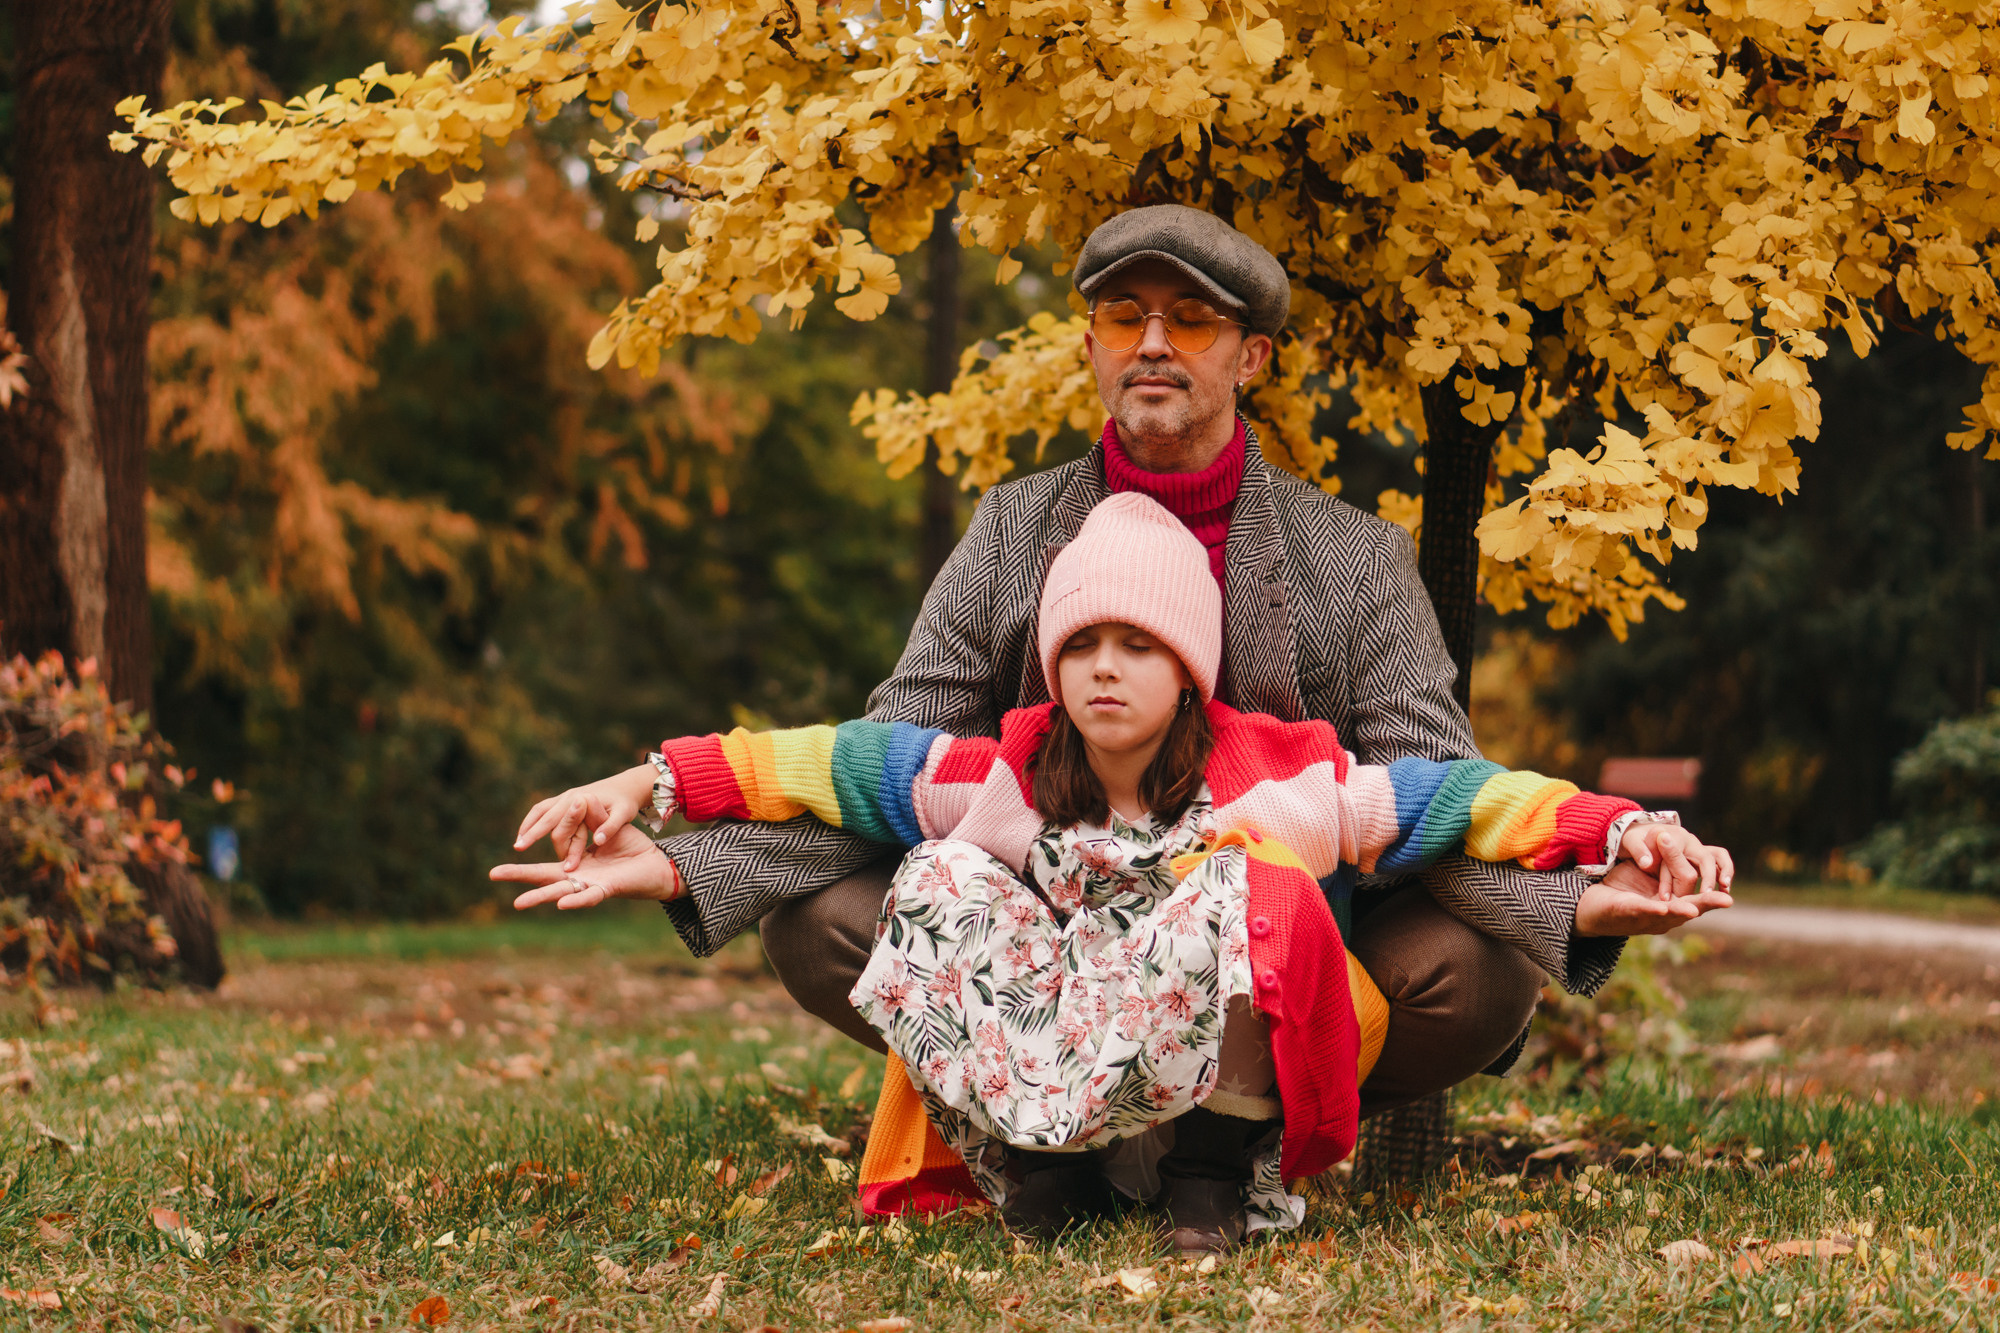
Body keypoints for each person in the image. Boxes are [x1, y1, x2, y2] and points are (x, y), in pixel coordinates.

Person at [493, 202, 1735, 1133]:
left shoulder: (1349, 556)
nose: (1151, 343)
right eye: (1120, 316)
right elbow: (889, 764)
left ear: (1249, 356)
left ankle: (1221, 1127)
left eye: (1189, 319)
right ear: (1088, 345)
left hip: (1268, 945)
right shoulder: (1011, 529)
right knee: (821, 925)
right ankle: (1053, 1135)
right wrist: (684, 843)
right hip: (1041, 935)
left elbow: (1427, 790)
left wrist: (1572, 892)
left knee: (1476, 979)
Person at [495, 494, 1732, 1252]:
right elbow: (819, 764)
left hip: (1211, 1072)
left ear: (1187, 666)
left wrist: (1612, 834)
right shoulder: (1009, 767)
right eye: (1079, 641)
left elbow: (1460, 797)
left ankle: (1205, 1184)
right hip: (1058, 1051)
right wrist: (652, 807)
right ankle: (1043, 1171)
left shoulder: (1277, 777)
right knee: (941, 880)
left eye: (1135, 642)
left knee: (1252, 891)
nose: (1101, 668)